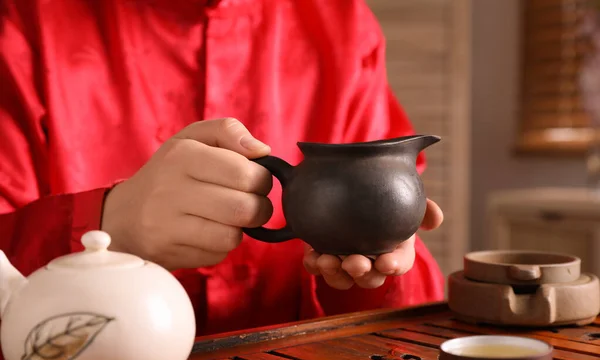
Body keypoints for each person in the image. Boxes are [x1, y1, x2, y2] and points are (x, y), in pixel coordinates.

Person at [0, 0, 444, 342]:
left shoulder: (341, 24)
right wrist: (101, 225)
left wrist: (369, 275)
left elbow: (400, 321)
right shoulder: (23, 25)